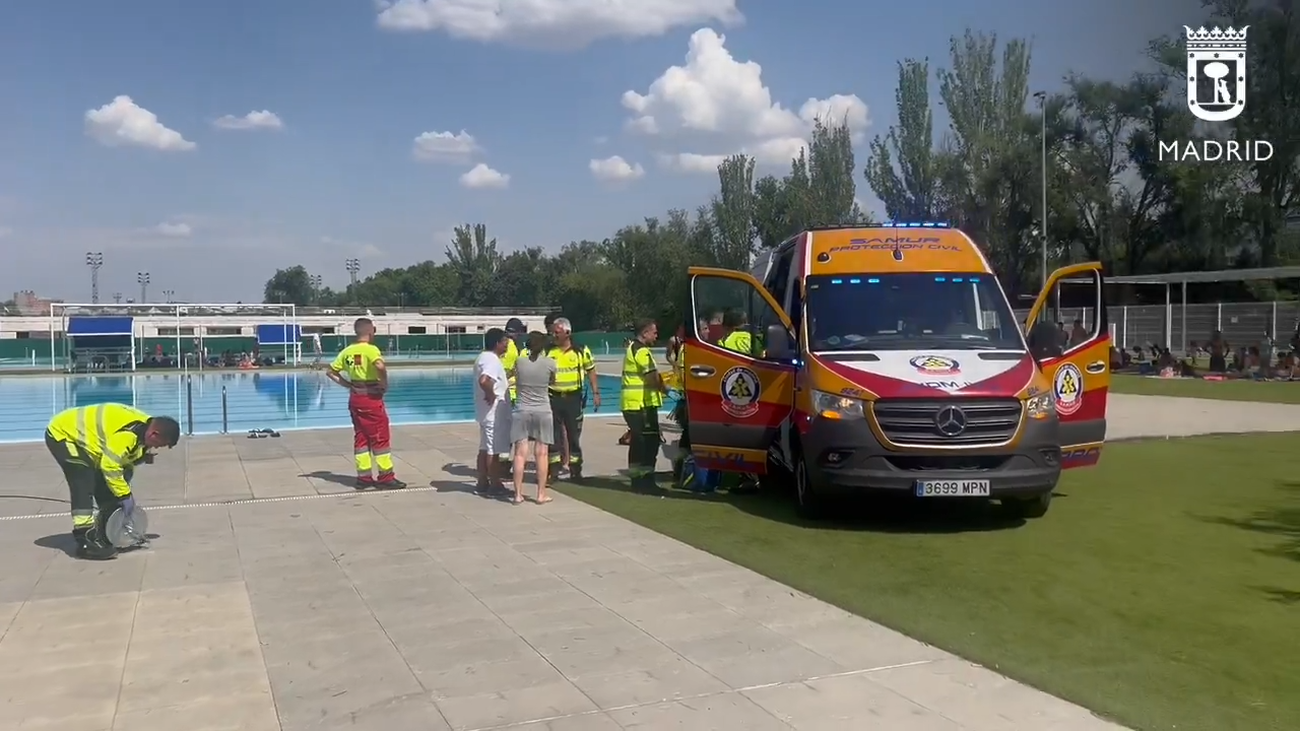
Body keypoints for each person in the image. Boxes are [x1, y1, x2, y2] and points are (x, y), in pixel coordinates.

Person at [45, 404, 180, 560]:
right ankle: (85, 539)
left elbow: (123, 465)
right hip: (63, 434)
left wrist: (139, 460)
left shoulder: (143, 431)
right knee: (82, 478)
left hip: (89, 441)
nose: (157, 447)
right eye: (160, 444)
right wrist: (124, 495)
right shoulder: (128, 436)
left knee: (108, 484)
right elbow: (110, 466)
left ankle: (104, 529)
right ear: (154, 434)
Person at [327, 317, 405, 489]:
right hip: (371, 397)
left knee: (361, 437)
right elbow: (380, 366)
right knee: (380, 436)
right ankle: (385, 477)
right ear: (370, 331)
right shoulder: (371, 350)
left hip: (355, 397)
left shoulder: (347, 351)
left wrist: (348, 385)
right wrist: (384, 383)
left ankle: (364, 477)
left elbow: (331, 372)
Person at [538, 317, 599, 483]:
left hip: (573, 399)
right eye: (553, 332)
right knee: (554, 437)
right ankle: (554, 471)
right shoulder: (548, 351)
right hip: (553, 398)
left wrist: (596, 393)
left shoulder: (580, 350)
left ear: (567, 332)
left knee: (573, 437)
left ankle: (575, 471)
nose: (553, 335)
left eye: (557, 333)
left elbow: (591, 371)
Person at [621, 319, 668, 491]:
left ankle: (638, 480)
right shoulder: (642, 352)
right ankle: (645, 480)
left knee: (640, 442)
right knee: (649, 442)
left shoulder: (633, 348)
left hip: (634, 403)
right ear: (645, 333)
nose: (656, 336)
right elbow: (651, 377)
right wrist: (665, 389)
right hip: (641, 404)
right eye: (654, 332)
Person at [510, 331, 556, 504]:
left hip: (522, 409)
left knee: (520, 453)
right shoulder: (550, 363)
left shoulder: (519, 362)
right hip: (543, 410)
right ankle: (540, 494)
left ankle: (517, 494)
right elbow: (553, 381)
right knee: (542, 453)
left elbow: (514, 376)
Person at [474, 328, 512, 494]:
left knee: (484, 448)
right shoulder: (492, 360)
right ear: (497, 343)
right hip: (492, 413)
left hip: (484, 413)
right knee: (493, 450)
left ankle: (482, 482)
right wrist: (491, 394)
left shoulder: (482, 357)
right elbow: (484, 380)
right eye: (505, 342)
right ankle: (494, 484)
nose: (507, 345)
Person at [499, 317, 526, 464]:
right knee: (510, 432)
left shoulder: (501, 344)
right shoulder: (512, 349)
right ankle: (503, 464)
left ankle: (501, 463)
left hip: (502, 393)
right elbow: (507, 372)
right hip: (511, 393)